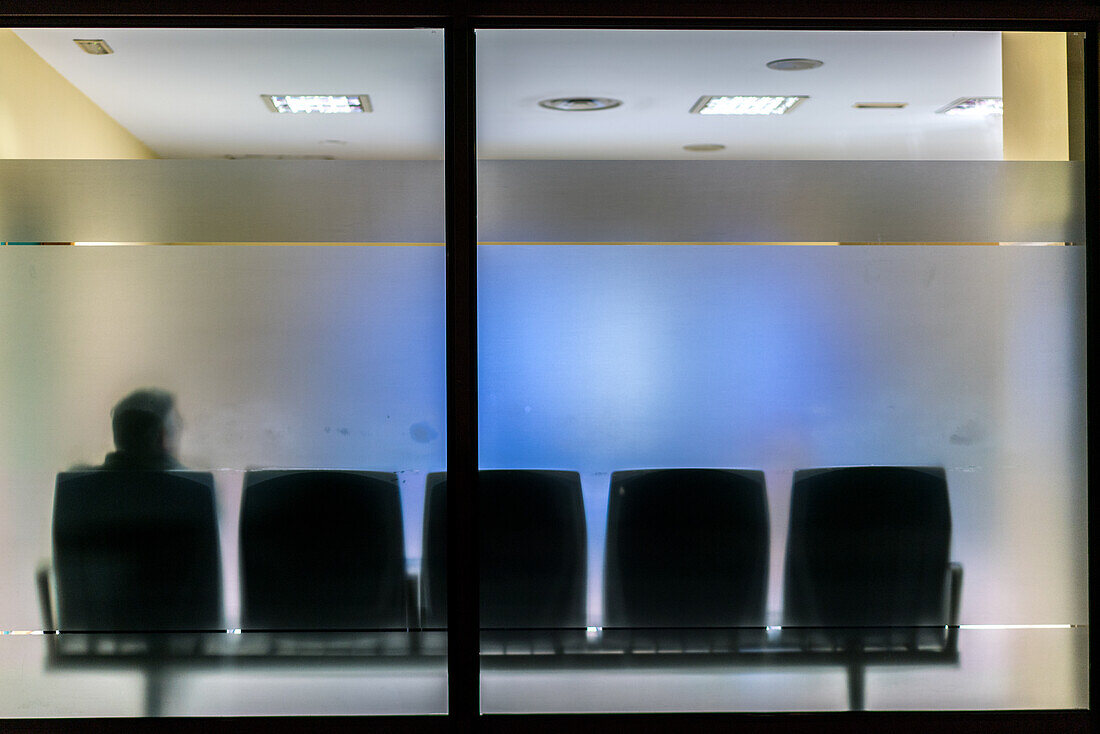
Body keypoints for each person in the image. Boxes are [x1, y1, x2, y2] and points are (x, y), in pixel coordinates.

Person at [99, 388, 185, 470]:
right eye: (176, 423)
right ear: (161, 435)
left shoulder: (90, 481)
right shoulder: (187, 482)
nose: (182, 427)